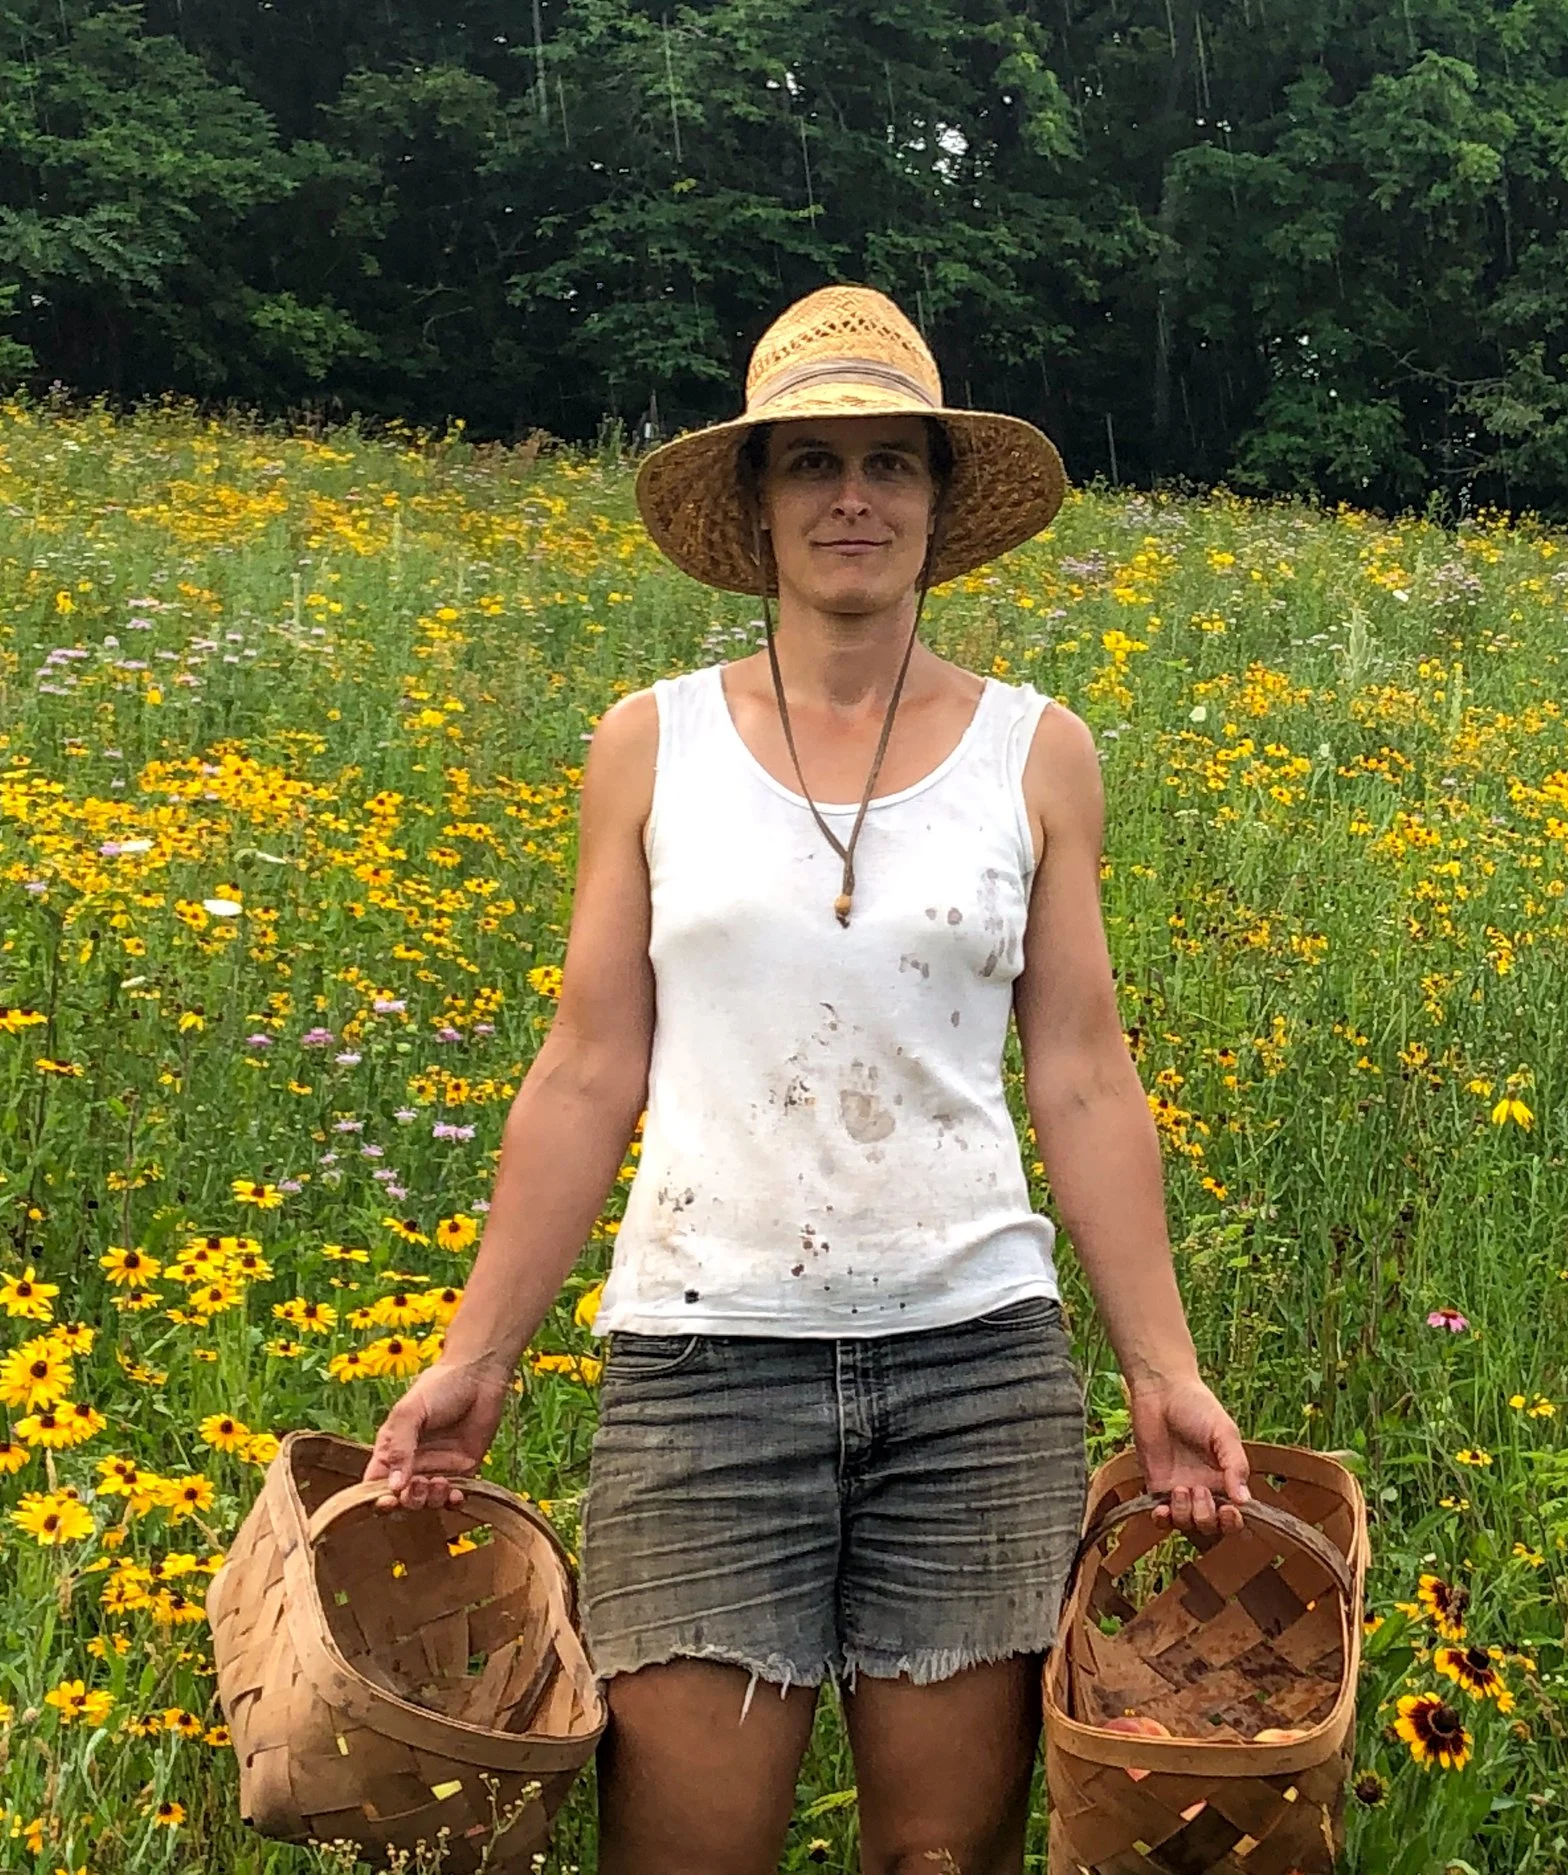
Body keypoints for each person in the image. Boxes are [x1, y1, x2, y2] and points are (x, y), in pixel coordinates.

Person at [362, 284, 1253, 1875]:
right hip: (704, 1365)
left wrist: (1163, 1372)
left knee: (938, 1858)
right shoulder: (650, 743)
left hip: (977, 1372)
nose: (855, 497)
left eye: (891, 463)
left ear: (936, 501)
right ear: (760, 504)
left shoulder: (1040, 752)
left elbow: (1085, 1075)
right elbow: (588, 1063)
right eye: (813, 463)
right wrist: (474, 1355)